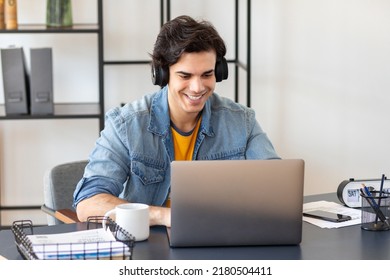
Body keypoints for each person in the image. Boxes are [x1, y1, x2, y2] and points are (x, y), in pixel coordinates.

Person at [73, 15, 279, 227]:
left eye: (207, 74)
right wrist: (164, 216)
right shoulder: (126, 125)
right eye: (185, 76)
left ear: (219, 72)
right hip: (150, 248)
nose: (198, 87)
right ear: (163, 74)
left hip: (220, 239)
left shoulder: (241, 121)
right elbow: (88, 202)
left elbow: (277, 188)